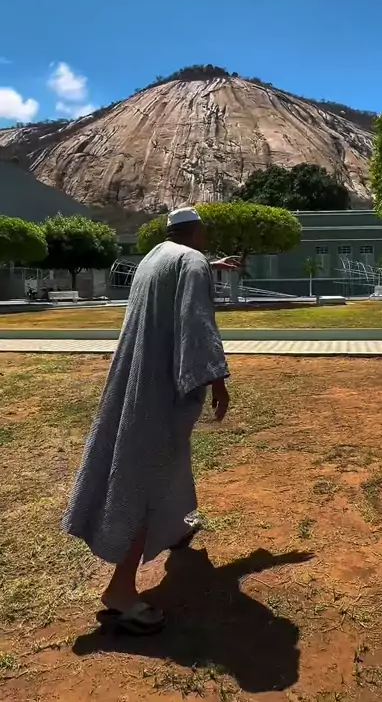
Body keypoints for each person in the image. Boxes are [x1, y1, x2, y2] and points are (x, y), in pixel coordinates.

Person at [62, 207, 239, 635]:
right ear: (197, 231)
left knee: (169, 463)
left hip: (133, 381)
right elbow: (197, 324)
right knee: (144, 479)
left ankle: (177, 528)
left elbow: (175, 277)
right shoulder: (191, 261)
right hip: (161, 389)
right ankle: (120, 591)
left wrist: (209, 264)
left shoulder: (153, 257)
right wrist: (216, 379)